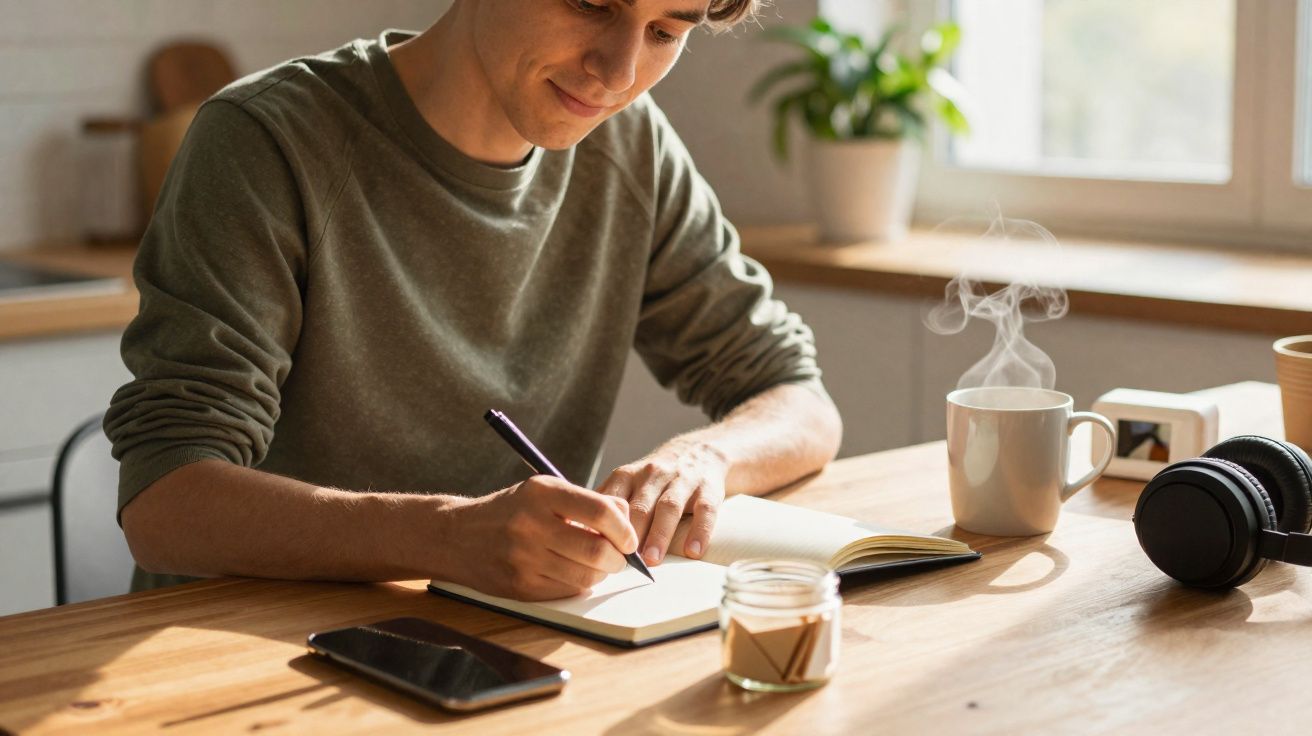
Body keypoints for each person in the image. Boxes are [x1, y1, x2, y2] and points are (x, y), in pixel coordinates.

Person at [105, 0, 842, 601]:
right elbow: (166, 501)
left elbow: (798, 401)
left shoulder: (631, 146)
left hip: (491, 644)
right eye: (591, 3)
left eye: (664, 30)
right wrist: (446, 537)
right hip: (238, 654)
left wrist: (704, 456)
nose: (619, 72)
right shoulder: (267, 140)